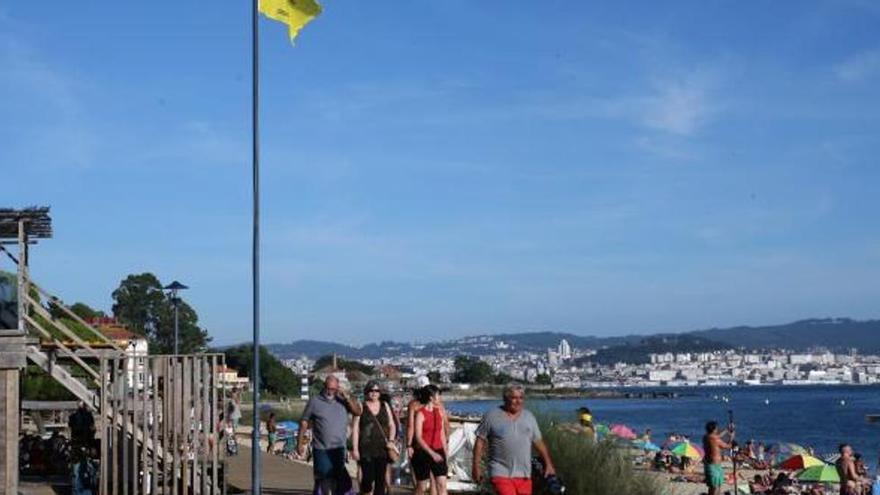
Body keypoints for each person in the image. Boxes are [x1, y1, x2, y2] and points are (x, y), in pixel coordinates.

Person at [472, 384, 556, 495]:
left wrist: (548, 464)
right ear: (505, 398)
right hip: (500, 472)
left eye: (521, 398)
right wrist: (475, 466)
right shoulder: (492, 416)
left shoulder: (529, 417)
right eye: (514, 398)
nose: (518, 401)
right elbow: (479, 441)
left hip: (524, 475)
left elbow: (538, 442)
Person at [298, 376, 363, 495]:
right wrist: (300, 443)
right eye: (328, 388)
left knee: (338, 479)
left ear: (338, 388)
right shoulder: (315, 401)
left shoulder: (343, 401)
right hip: (321, 448)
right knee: (325, 478)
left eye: (333, 389)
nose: (330, 391)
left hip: (339, 448)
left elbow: (357, 412)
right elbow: (304, 422)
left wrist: (347, 397)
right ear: (324, 386)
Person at [352, 381, 396, 495]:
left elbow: (392, 425)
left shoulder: (384, 405)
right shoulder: (361, 406)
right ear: (367, 392)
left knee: (380, 480)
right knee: (367, 479)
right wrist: (355, 449)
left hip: (382, 448)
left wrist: (391, 440)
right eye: (371, 390)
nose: (374, 393)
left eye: (377, 391)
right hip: (366, 449)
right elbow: (355, 429)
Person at [407, 377, 449, 495]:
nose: (440, 398)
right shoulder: (420, 413)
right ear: (431, 397)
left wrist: (445, 450)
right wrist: (410, 445)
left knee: (442, 484)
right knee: (422, 486)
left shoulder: (439, 410)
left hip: (438, 449)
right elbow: (417, 435)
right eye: (438, 395)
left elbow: (442, 430)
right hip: (422, 451)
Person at [702, 420, 735, 495]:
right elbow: (728, 446)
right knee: (715, 487)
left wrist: (726, 430)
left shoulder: (706, 437)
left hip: (711, 465)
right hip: (714, 466)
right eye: (716, 428)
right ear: (714, 429)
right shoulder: (715, 439)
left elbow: (718, 435)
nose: (717, 429)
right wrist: (731, 437)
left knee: (714, 486)